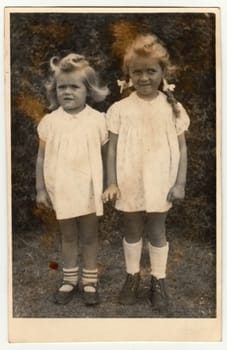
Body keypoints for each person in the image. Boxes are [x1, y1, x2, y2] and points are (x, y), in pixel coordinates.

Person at [102, 34, 190, 309]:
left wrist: (180, 184)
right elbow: (112, 149)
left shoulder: (172, 108)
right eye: (136, 72)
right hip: (129, 179)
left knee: (157, 229)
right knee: (131, 228)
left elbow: (182, 149)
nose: (143, 78)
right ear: (128, 75)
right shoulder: (120, 109)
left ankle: (158, 280)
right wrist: (112, 182)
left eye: (151, 71)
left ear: (163, 72)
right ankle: (132, 277)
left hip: (161, 179)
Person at [36, 53, 109, 306]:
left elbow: (106, 156)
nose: (67, 92)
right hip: (63, 188)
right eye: (61, 87)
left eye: (74, 86)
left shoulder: (98, 121)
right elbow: (41, 158)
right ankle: (68, 280)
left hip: (89, 189)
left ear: (87, 91)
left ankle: (89, 282)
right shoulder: (50, 122)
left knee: (89, 237)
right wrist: (41, 189)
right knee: (68, 237)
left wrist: (109, 184)